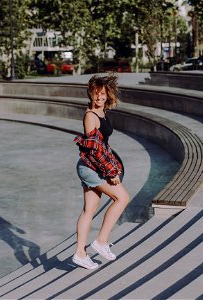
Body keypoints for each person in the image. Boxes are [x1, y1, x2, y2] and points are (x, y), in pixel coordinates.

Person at [72, 74, 130, 270]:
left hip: (93, 166)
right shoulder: (91, 116)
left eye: (103, 94)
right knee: (122, 198)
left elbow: (103, 144)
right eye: (96, 94)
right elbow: (95, 150)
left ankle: (80, 254)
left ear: (107, 95)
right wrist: (111, 172)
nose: (99, 98)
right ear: (91, 94)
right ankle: (101, 241)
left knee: (89, 210)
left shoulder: (103, 112)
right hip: (91, 168)